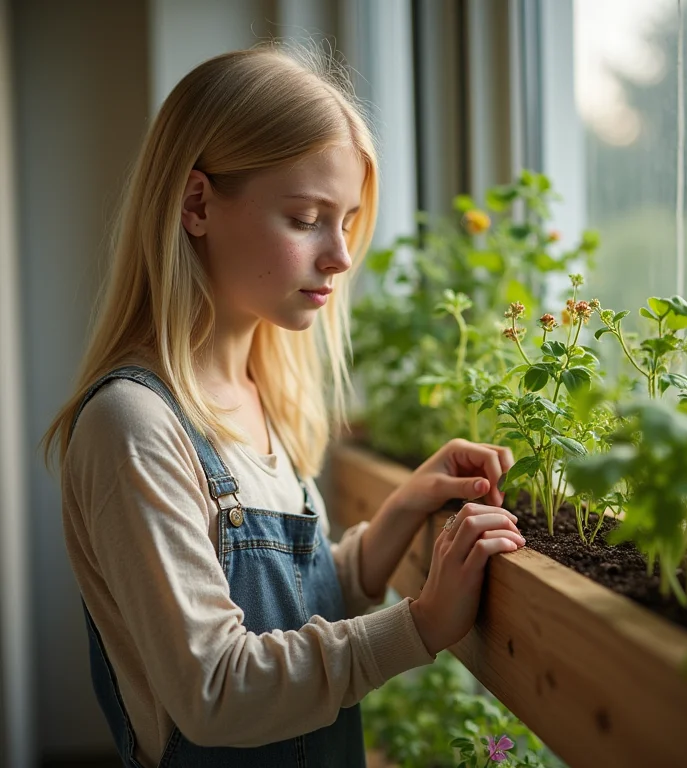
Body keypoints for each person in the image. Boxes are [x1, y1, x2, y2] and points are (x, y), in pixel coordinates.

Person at [44, 43, 525, 767]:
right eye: (306, 218)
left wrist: (397, 515)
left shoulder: (260, 396)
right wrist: (421, 626)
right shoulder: (134, 426)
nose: (340, 255)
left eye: (348, 221)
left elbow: (288, 607)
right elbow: (215, 688)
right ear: (197, 204)